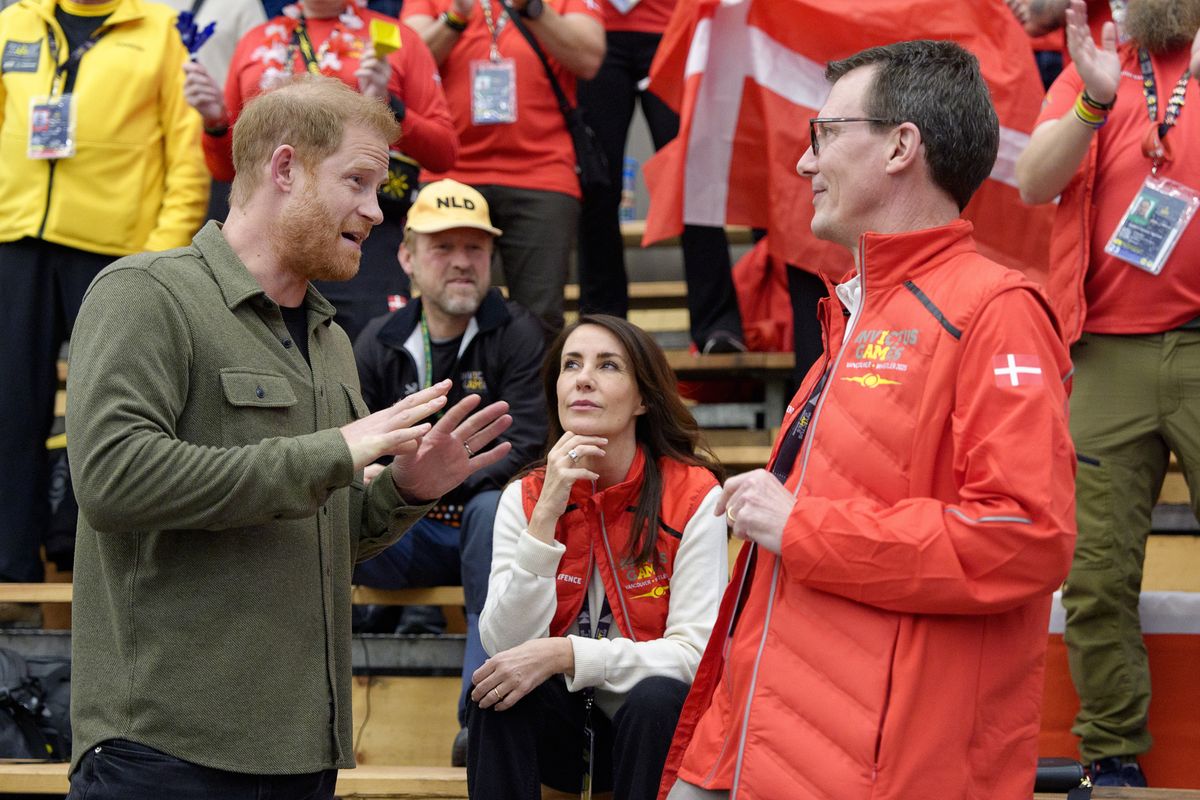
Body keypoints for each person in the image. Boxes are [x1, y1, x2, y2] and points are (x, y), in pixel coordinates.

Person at [63, 75, 512, 800]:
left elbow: (312, 525)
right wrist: (334, 453)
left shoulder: (331, 339)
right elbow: (114, 480)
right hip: (164, 750)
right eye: (359, 182)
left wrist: (404, 492)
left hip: (302, 753)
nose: (376, 210)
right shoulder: (145, 294)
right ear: (284, 169)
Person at [661, 40, 1076, 800]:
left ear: (899, 146)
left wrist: (803, 528)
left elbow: (1024, 537)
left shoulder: (995, 312)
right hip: (754, 753)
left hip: (881, 769)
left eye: (823, 135)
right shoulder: (852, 314)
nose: (803, 164)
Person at [1014, 0, 1200, 787]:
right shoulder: (1101, 62)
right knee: (1092, 577)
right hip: (1104, 354)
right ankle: (1113, 757)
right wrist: (1090, 101)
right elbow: (1030, 181)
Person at [0, 0, 209, 618]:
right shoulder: (13, 24)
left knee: (108, 412)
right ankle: (10, 569)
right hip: (15, 242)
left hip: (115, 252)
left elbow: (187, 152)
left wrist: (159, 260)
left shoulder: (160, 31)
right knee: (10, 407)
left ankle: (87, 559)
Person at [467, 314, 727, 799]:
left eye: (608, 365)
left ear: (644, 398)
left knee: (657, 698)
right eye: (571, 364)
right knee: (496, 692)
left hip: (650, 730)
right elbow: (505, 644)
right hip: (561, 732)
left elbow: (695, 659)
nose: (584, 377)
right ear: (557, 389)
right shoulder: (524, 497)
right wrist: (546, 515)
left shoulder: (693, 496)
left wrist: (567, 653)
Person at [352, 178, 547, 764]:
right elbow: (354, 443)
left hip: (481, 533)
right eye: (443, 247)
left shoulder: (518, 333)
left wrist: (433, 477)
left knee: (495, 511)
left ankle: (477, 719)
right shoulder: (378, 341)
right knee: (318, 508)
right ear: (407, 258)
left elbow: (529, 445)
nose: (462, 261)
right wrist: (373, 479)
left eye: (475, 248)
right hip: (399, 535)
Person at [182, 0, 458, 342]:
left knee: (361, 360)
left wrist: (391, 105)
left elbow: (444, 151)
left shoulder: (396, 38)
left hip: (363, 238)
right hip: (270, 242)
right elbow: (231, 170)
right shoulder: (257, 40)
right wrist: (216, 123)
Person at [401, 0, 605, 336]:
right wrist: (456, 16)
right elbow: (409, 62)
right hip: (449, 171)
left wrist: (533, 8)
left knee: (540, 318)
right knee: (443, 308)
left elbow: (588, 58)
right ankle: (446, 390)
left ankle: (531, 391)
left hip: (542, 172)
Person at [573, 0, 744, 354]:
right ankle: (603, 325)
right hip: (592, 26)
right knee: (598, 184)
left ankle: (718, 325)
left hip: (674, 25)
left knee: (693, 178)